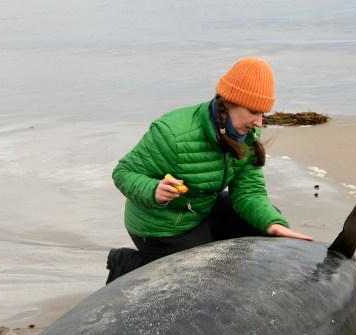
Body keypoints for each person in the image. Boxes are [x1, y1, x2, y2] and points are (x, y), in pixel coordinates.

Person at [106, 57, 312, 284]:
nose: (259, 122)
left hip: (200, 209)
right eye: (254, 111)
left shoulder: (247, 135)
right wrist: (153, 189)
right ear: (229, 102)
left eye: (263, 113)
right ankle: (130, 264)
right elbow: (123, 172)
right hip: (161, 226)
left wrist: (273, 224)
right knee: (202, 280)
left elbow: (249, 193)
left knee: (263, 225)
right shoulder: (173, 134)